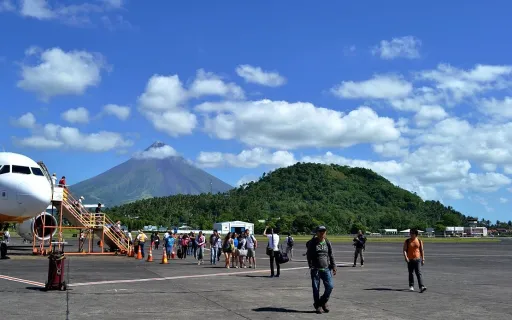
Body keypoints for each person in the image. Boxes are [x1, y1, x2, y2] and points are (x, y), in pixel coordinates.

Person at [306, 226, 336, 314]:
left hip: (326, 269)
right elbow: (308, 255)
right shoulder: (313, 243)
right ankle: (318, 306)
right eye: (320, 231)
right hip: (316, 270)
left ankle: (322, 302)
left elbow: (331, 255)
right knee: (316, 289)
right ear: (317, 232)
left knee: (330, 286)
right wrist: (310, 265)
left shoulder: (327, 242)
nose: (322, 233)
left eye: (324, 231)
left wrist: (334, 266)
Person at [403, 228, 427, 293]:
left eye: (412, 233)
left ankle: (421, 287)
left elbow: (422, 250)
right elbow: (404, 250)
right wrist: (406, 257)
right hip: (410, 259)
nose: (410, 234)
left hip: (417, 259)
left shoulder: (419, 241)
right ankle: (411, 286)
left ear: (415, 234)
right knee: (411, 273)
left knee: (418, 273)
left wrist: (423, 259)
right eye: (410, 233)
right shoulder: (407, 241)